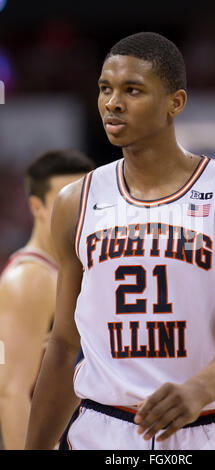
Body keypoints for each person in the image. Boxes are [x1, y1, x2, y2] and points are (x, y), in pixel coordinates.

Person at [25, 32, 215, 451]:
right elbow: (64, 342)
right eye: (105, 89)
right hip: (101, 428)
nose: (113, 103)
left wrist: (198, 390)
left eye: (132, 90)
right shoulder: (76, 201)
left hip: (209, 425)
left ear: (174, 103)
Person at [0, 149, 95, 450]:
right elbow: (11, 393)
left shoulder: (71, 270)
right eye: (64, 200)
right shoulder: (29, 279)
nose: (76, 210)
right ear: (36, 207)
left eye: (83, 199)